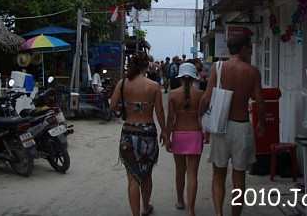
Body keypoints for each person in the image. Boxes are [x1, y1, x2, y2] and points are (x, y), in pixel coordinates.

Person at [199, 33, 266, 216]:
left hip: (221, 126)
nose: (251, 51)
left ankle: (219, 213)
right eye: (250, 47)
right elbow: (260, 102)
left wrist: (201, 119)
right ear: (243, 48)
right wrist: (261, 124)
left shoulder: (217, 67)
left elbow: (206, 98)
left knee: (218, 174)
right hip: (242, 126)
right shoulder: (252, 71)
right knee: (239, 177)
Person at [110, 51, 167, 216]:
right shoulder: (154, 86)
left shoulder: (123, 83)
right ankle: (146, 207)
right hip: (148, 133)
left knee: (133, 178)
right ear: (146, 66)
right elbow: (160, 111)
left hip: (129, 133)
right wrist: (164, 131)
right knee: (146, 174)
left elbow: (113, 105)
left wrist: (126, 109)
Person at [166, 63, 208, 215]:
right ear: (193, 77)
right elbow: (204, 117)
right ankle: (191, 209)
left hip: (178, 134)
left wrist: (166, 135)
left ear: (180, 77)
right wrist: (206, 133)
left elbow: (170, 118)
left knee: (180, 171)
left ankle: (180, 200)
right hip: (196, 134)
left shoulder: (172, 94)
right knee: (192, 173)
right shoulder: (201, 94)